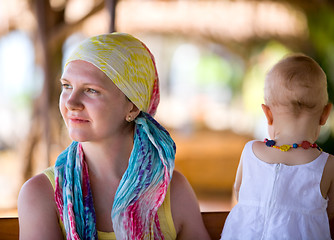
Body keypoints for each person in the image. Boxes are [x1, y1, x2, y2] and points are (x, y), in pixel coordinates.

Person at [18, 32, 211, 240]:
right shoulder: (40, 194)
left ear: (133, 106)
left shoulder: (173, 193)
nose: (71, 103)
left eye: (91, 90)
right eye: (67, 86)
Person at [221, 54, 334, 240]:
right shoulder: (328, 165)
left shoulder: (250, 151)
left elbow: (238, 191)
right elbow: (330, 211)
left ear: (268, 114)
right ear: (325, 115)